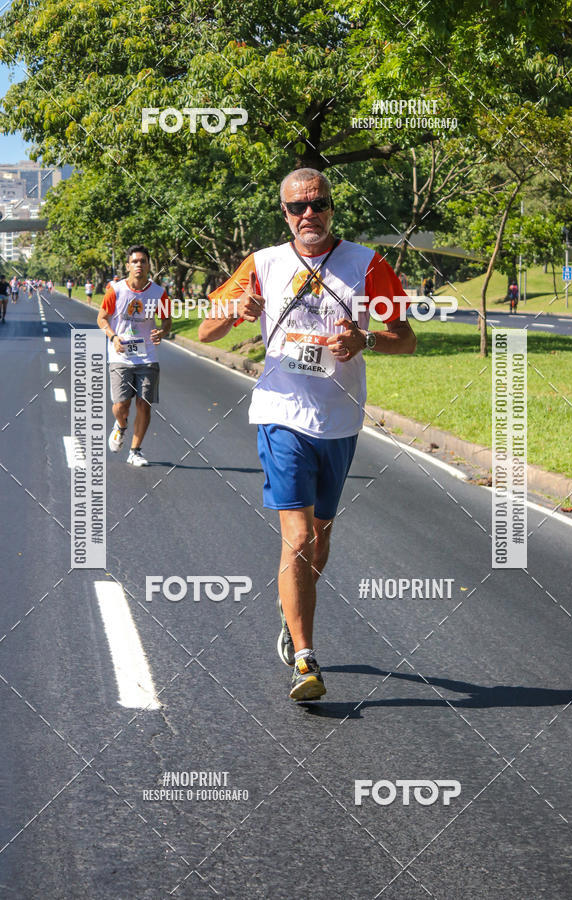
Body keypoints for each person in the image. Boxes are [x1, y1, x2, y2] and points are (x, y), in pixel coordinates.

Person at [198, 167, 416, 701]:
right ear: (285, 213)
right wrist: (235, 312)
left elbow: (406, 339)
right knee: (296, 538)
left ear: (332, 207)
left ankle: (289, 605)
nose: (309, 214)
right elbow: (206, 329)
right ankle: (305, 658)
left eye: (318, 203)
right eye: (298, 207)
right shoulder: (263, 264)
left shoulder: (367, 264)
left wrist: (365, 340)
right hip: (281, 413)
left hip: (339, 420)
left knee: (319, 539)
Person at [97, 245, 172, 466]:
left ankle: (135, 451)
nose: (139, 265)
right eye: (135, 261)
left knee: (144, 404)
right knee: (121, 405)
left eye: (143, 261)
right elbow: (102, 318)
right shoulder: (116, 290)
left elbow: (167, 321)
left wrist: (162, 332)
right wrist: (113, 337)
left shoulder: (158, 293)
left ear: (149, 265)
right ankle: (121, 425)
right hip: (120, 355)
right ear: (128, 265)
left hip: (147, 356)